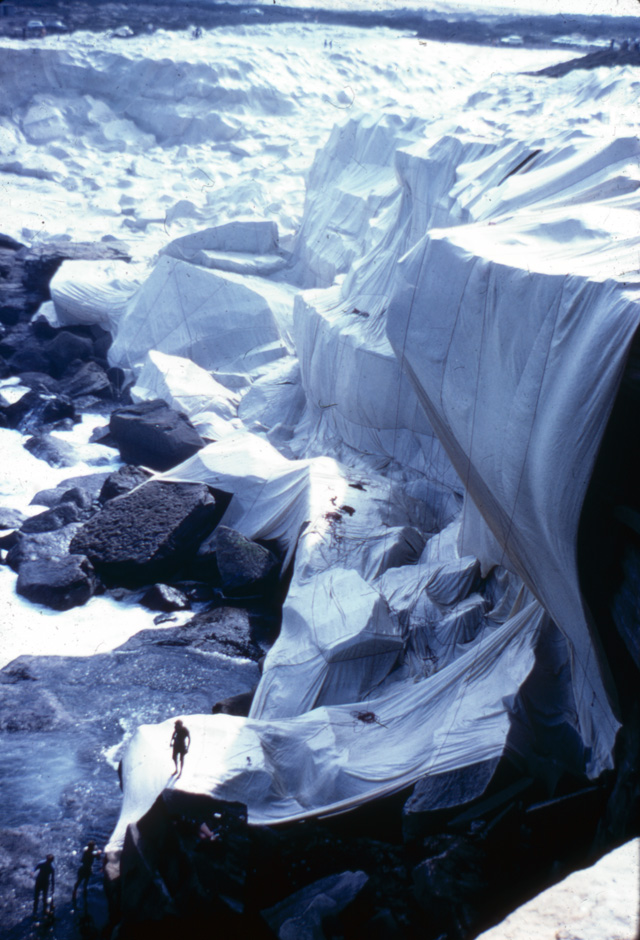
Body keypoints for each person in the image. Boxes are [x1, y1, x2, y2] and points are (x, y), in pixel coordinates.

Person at [72, 840, 101, 907]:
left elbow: (93, 853)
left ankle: (75, 892)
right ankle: (83, 893)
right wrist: (98, 853)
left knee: (79, 881)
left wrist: (96, 852)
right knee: (84, 882)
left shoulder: (86, 851)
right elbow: (98, 858)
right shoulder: (91, 853)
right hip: (87, 869)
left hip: (83, 868)